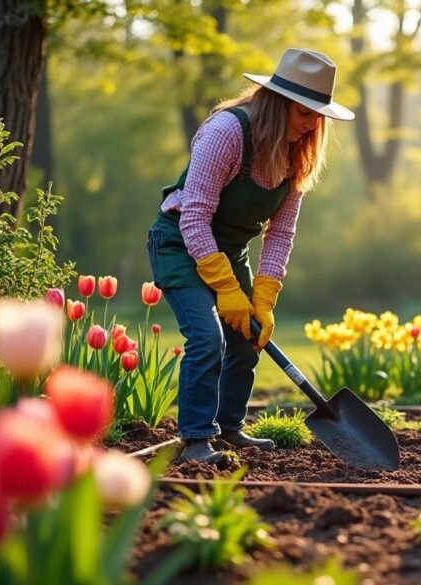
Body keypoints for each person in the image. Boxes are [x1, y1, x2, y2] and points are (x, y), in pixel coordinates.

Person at [147, 48, 354, 464]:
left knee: (249, 338)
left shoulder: (298, 154)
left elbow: (281, 233)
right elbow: (194, 216)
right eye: (305, 113)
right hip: (181, 244)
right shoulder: (226, 133)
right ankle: (195, 440)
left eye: (319, 116)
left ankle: (229, 427)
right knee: (207, 337)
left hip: (230, 250)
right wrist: (226, 288)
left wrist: (264, 295)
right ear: (278, 103)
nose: (312, 124)